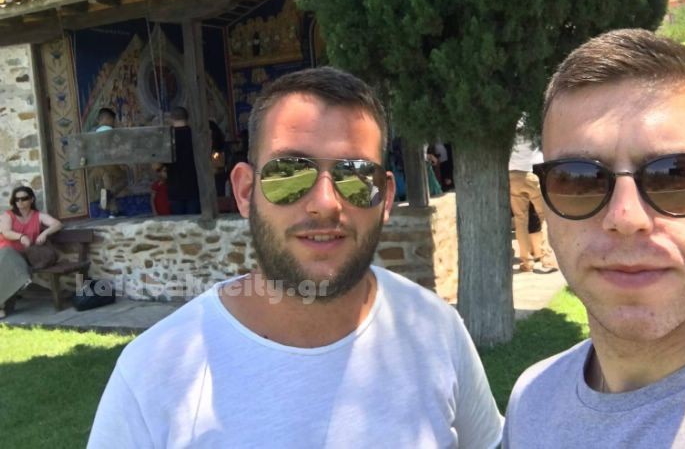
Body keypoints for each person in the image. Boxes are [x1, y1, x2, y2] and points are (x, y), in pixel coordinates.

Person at [89, 67, 503, 447]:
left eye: (356, 176)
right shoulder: (153, 375)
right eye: (288, 173)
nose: (325, 203)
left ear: (386, 198)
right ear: (246, 192)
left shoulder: (435, 330)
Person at [504, 29, 685, 447]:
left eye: (676, 175)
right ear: (549, 212)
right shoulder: (533, 400)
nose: (625, 217)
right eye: (578, 180)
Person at [0, 186, 63, 318]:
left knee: (12, 267)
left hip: (25, 255)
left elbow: (57, 224)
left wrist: (44, 233)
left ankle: (3, 305)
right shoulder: (8, 215)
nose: (20, 202)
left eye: (24, 198)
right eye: (17, 199)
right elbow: (6, 232)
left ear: (32, 199)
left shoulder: (38, 215)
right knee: (6, 263)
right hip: (7, 251)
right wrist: (21, 237)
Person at [508, 119, 557, 273]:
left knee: (520, 220)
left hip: (512, 173)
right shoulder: (532, 120)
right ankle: (547, 259)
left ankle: (526, 261)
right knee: (546, 216)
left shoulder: (508, 122)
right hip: (532, 171)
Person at [165, 106, 200, 215]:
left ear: (171, 119)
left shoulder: (167, 138)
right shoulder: (196, 135)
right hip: (194, 185)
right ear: (187, 118)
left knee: (178, 221)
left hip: (175, 187)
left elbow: (157, 165)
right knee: (194, 220)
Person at [93, 107, 127, 216]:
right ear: (107, 119)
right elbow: (115, 148)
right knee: (124, 179)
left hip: (98, 164)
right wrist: (121, 162)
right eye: (112, 120)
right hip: (109, 162)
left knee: (108, 185)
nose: (113, 123)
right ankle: (107, 196)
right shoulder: (110, 131)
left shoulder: (94, 132)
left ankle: (113, 212)